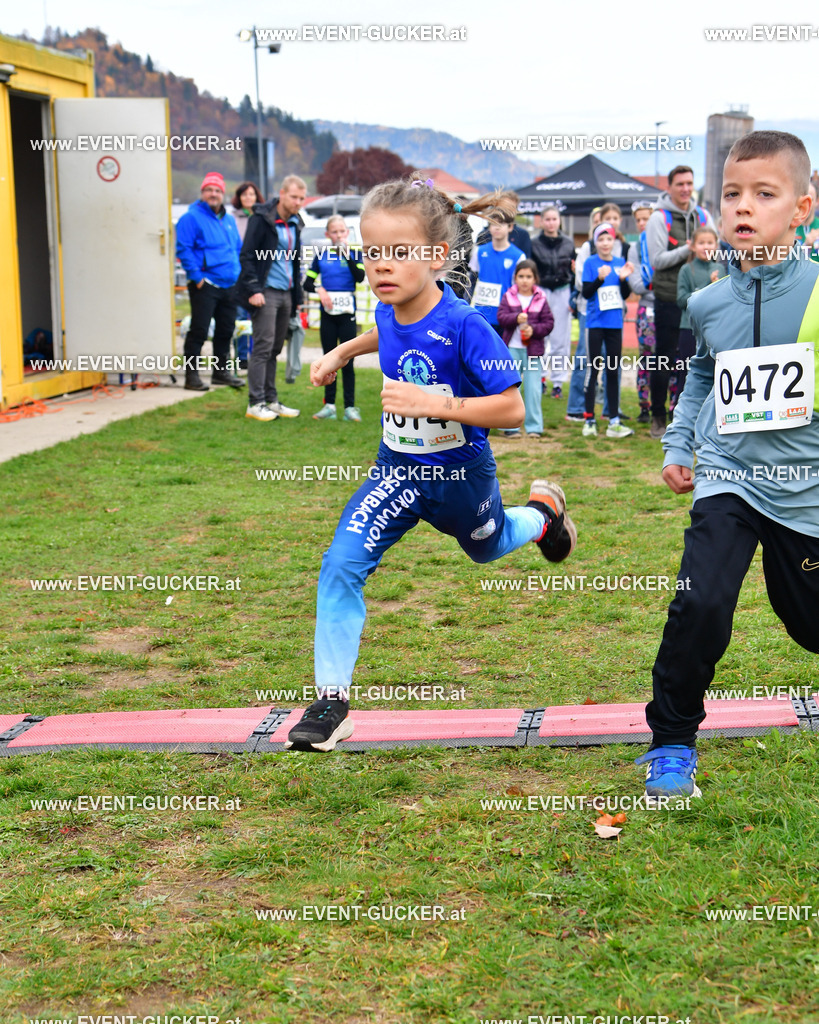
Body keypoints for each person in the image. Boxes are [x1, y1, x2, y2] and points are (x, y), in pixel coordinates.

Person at [285, 178, 577, 752]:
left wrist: (435, 404)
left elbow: (513, 407)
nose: (382, 267)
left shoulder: (467, 323)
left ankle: (542, 514)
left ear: (437, 257)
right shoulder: (390, 306)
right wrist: (342, 351)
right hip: (396, 471)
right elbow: (389, 329)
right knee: (341, 562)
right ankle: (331, 703)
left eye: (399, 253)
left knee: (486, 548)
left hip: (461, 475)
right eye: (373, 253)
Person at [635, 129, 819, 799]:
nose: (743, 207)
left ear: (801, 208)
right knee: (702, 601)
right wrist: (679, 445)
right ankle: (671, 743)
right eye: (732, 195)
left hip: (805, 492)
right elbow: (700, 376)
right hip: (729, 479)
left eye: (763, 194)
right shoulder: (708, 302)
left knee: (810, 623)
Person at [645, 166, 716, 439]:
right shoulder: (658, 218)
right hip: (667, 298)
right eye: (680, 184)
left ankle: (686, 417)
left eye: (690, 183)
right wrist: (689, 248)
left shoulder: (703, 216)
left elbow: (713, 248)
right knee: (663, 360)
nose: (686, 189)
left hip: (700, 303)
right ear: (670, 186)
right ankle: (658, 417)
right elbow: (657, 260)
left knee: (694, 362)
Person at [237, 175, 307, 421]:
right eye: (294, 197)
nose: (298, 202)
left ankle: (271, 400)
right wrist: (254, 289)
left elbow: (296, 262)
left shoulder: (296, 223)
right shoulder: (262, 219)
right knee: (263, 347)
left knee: (276, 348)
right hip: (264, 292)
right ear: (282, 194)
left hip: (287, 293)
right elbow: (246, 256)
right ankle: (254, 403)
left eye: (302, 198)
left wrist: (297, 296)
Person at [175, 171, 245, 392]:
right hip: (205, 285)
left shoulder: (229, 220)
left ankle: (220, 373)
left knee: (226, 330)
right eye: (209, 190)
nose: (213, 194)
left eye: (217, 190)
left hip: (230, 284)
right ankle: (191, 376)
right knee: (199, 331)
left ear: (222, 194)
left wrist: (239, 274)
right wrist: (197, 278)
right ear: (202, 193)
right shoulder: (191, 217)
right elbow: (183, 248)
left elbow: (236, 249)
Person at [304, 215, 366, 422]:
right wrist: (320, 289)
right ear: (327, 235)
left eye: (342, 231)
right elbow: (307, 283)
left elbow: (359, 278)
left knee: (348, 361)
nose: (338, 235)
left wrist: (347, 255)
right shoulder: (321, 254)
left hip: (347, 314)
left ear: (347, 233)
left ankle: (350, 407)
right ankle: (329, 406)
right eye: (334, 232)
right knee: (328, 359)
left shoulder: (355, 253)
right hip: (327, 315)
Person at [581, 223, 634, 439]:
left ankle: (614, 420)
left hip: (615, 325)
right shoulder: (590, 263)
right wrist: (599, 279)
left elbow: (625, 294)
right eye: (601, 239)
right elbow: (585, 293)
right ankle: (589, 419)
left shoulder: (621, 263)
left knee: (612, 371)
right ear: (595, 242)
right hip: (595, 324)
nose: (605, 243)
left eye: (609, 239)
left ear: (614, 242)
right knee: (593, 370)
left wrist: (622, 279)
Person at [496, 260, 554, 438]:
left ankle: (534, 426)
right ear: (515, 278)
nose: (525, 280)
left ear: (535, 278)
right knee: (511, 389)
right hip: (511, 349)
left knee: (534, 389)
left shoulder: (541, 298)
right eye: (521, 276)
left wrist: (533, 330)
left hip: (533, 352)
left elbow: (548, 324)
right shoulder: (509, 296)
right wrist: (515, 318)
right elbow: (501, 317)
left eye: (529, 276)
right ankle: (511, 426)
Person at [672, 226, 726, 410]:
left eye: (710, 243)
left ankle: (710, 414)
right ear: (693, 247)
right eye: (701, 243)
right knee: (687, 373)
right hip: (689, 329)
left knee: (713, 373)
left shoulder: (720, 268)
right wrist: (707, 285)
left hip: (713, 331)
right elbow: (681, 300)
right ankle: (680, 415)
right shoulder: (687, 270)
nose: (706, 247)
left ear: (716, 245)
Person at [530, 205, 575, 399]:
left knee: (560, 340)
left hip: (562, 291)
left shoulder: (568, 242)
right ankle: (539, 378)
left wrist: (573, 296)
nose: (551, 223)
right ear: (541, 221)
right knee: (539, 337)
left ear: (559, 220)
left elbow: (573, 271)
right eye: (547, 219)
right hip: (541, 290)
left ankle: (558, 381)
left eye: (554, 219)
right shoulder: (534, 243)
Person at [566, 208, 603, 421]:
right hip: (587, 310)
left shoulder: (615, 249)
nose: (601, 225)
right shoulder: (587, 249)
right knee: (583, 357)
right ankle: (576, 407)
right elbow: (581, 282)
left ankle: (608, 407)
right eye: (596, 221)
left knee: (606, 360)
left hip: (608, 312)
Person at [469, 211, 525, 334]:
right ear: (489, 227)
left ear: (510, 227)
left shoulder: (519, 256)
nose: (497, 227)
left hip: (506, 316)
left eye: (502, 224)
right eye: (493, 223)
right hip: (481, 314)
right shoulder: (479, 252)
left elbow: (521, 289)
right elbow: (471, 281)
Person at [230, 182, 264, 369]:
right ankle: (242, 357)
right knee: (241, 318)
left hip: (258, 273)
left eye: (252, 194)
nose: (248, 198)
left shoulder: (263, 217)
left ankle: (256, 354)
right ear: (239, 198)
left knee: (258, 318)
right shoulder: (233, 219)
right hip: (239, 273)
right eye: (244, 195)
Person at [628, 201, 656, 423]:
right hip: (647, 308)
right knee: (646, 359)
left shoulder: (664, 245)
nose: (641, 223)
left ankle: (669, 405)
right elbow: (637, 285)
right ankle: (644, 405)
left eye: (646, 218)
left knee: (672, 359)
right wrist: (660, 284)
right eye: (638, 220)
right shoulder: (635, 248)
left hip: (668, 307)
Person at [474, 191, 533, 257]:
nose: (507, 210)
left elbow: (526, 262)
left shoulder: (522, 235)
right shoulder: (484, 235)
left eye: (511, 207)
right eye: (505, 206)